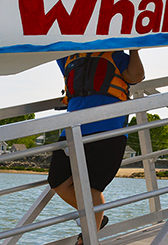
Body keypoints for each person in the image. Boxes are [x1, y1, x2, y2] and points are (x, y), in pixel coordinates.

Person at [48, 50, 144, 245]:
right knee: (57, 180)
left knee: (93, 187)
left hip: (108, 129)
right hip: (73, 129)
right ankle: (96, 217)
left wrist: (134, 48)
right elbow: (48, 48)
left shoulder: (114, 53)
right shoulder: (68, 56)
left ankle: (88, 237)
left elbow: (135, 76)